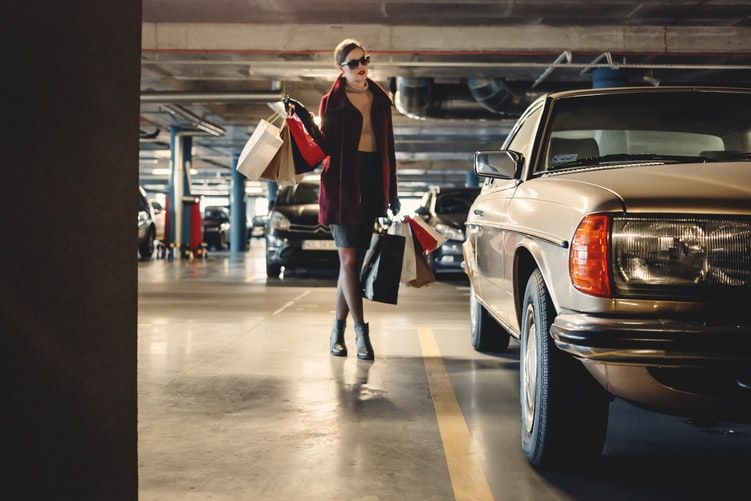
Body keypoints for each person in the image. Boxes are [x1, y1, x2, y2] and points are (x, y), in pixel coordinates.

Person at [287, 39, 399, 361]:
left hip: (372, 182)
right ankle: (361, 332)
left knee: (352, 263)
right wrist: (305, 120)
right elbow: (325, 145)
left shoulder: (380, 99)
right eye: (353, 63)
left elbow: (388, 148)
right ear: (341, 69)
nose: (361, 66)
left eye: (364, 60)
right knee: (349, 262)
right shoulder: (331, 101)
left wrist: (392, 191)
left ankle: (336, 329)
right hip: (341, 184)